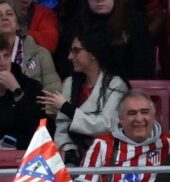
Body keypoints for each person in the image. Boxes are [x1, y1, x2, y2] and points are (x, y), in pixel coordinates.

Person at [74, 89, 170, 182]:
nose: (139, 118)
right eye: (131, 113)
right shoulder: (103, 144)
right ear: (121, 119)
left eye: (145, 112)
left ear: (154, 115)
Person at [38, 31, 127, 166]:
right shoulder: (69, 84)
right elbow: (61, 129)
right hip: (73, 159)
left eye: (76, 51)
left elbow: (107, 126)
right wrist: (69, 152)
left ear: (92, 53)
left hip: (108, 159)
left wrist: (68, 109)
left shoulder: (116, 84)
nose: (70, 56)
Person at [0, 0, 60, 94]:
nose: (4, 18)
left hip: (33, 108)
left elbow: (53, 93)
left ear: (19, 23)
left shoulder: (41, 54)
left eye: (9, 14)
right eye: (0, 15)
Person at [0, 33, 42, 150]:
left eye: (6, 56)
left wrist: (17, 91)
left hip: (25, 158)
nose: (2, 63)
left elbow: (38, 131)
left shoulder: (31, 87)